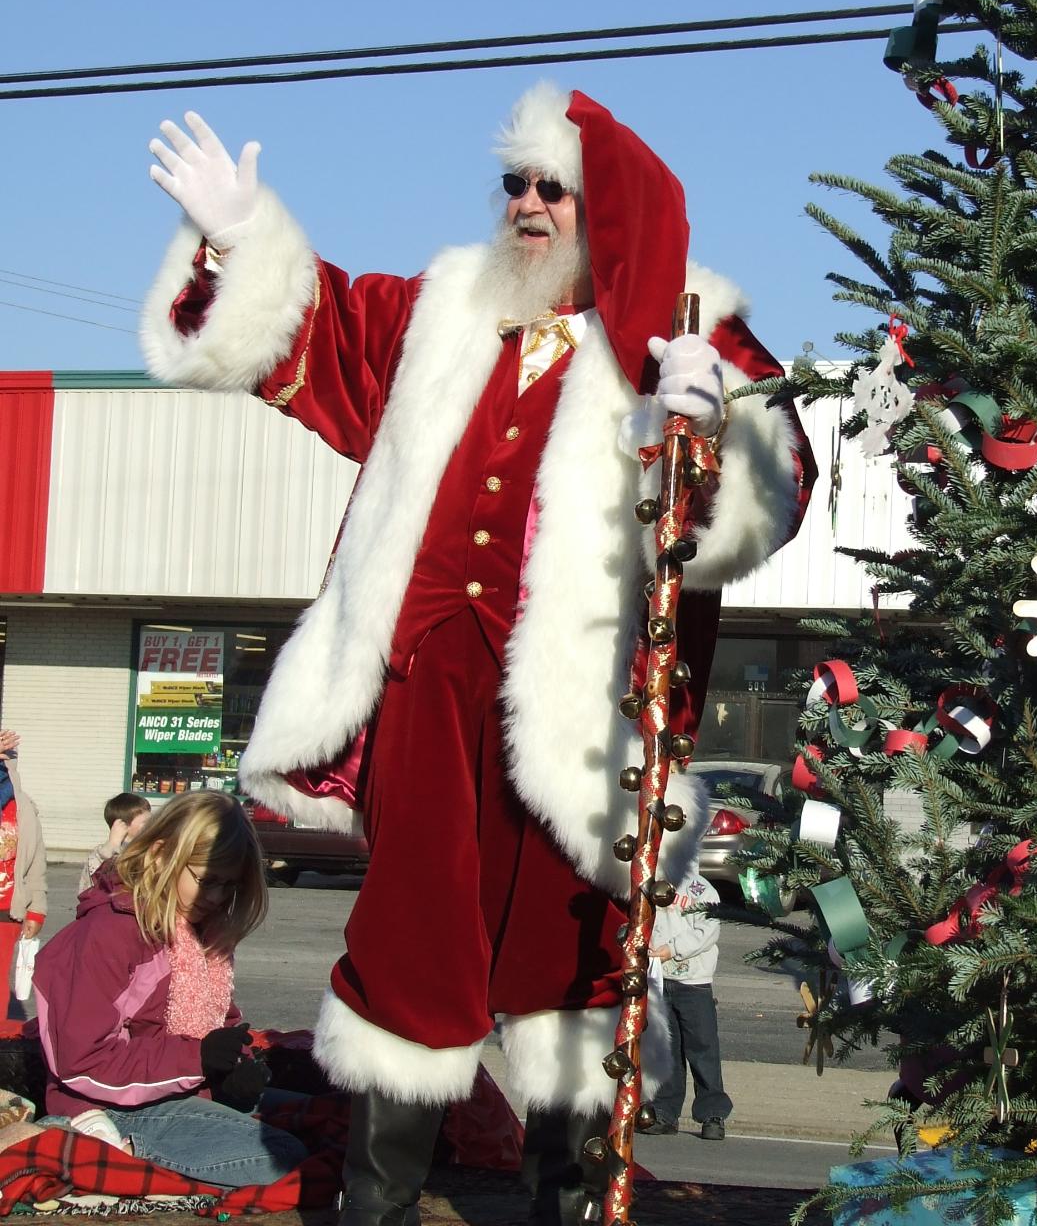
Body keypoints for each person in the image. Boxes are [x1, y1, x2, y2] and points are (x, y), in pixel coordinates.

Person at [141, 83, 817, 1225]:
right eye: (516, 183)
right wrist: (242, 237)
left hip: (576, 725)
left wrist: (706, 430)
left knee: (572, 976)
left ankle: (563, 1203)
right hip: (423, 707)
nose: (530, 205)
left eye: (556, 186)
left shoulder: (688, 328)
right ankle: (376, 1207)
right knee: (406, 955)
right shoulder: (446, 310)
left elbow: (775, 486)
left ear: (609, 209)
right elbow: (319, 331)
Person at [33, 791, 307, 1186]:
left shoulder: (201, 934)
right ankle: (92, 1149)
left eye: (229, 886)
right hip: (106, 1105)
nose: (216, 898)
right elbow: (80, 1062)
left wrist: (235, 1067)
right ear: (161, 854)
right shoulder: (110, 934)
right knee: (283, 1157)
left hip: (186, 1090)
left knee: (330, 1119)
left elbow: (223, 1028)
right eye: (207, 880)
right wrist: (198, 1061)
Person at [640, 860, 732, 1141]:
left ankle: (712, 1114)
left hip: (694, 982)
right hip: (658, 978)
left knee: (702, 1047)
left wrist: (673, 949)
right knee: (667, 1046)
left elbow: (707, 931)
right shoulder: (652, 884)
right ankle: (665, 1112)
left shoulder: (701, 889)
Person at [0, 730, 47, 1021]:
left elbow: (36, 859)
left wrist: (37, 908)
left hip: (8, 907)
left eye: (8, 756)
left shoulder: (24, 807)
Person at [78, 792, 152, 896]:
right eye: (146, 822)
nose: (152, 825)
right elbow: (89, 887)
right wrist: (112, 845)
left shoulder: (149, 849)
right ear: (122, 825)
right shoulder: (100, 856)